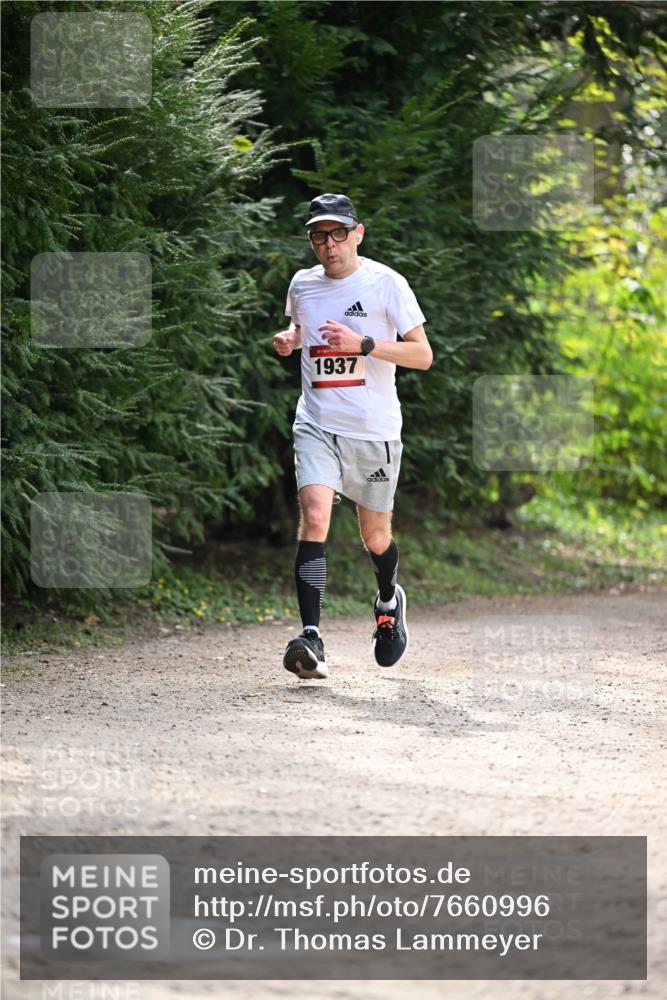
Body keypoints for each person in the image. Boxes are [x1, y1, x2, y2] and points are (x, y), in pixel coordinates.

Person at [273, 193, 432, 680]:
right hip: (317, 422)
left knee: (374, 536)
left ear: (357, 233)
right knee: (315, 515)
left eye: (338, 233)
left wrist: (363, 344)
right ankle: (311, 637)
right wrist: (290, 339)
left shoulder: (387, 284)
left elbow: (422, 355)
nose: (329, 244)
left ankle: (388, 601)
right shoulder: (303, 284)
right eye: (319, 236)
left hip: (374, 431)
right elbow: (304, 329)